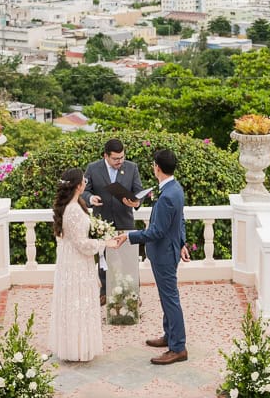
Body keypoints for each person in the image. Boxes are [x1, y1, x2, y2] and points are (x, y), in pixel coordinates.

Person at [123, 148, 189, 365]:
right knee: (166, 296)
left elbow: (156, 232)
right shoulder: (175, 189)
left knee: (170, 299)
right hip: (170, 250)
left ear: (157, 168)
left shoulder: (168, 195)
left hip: (163, 255)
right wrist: (182, 243)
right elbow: (179, 221)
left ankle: (178, 347)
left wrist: (128, 236)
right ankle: (169, 335)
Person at [50, 167, 124, 362]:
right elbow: (81, 244)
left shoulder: (75, 205)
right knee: (77, 302)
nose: (85, 183)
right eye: (83, 181)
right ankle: (76, 349)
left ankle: (77, 346)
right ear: (77, 186)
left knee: (77, 303)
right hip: (76, 263)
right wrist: (104, 243)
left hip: (73, 260)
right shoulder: (73, 210)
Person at [81, 139, 143, 299]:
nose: (120, 161)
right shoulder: (93, 168)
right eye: (116, 158)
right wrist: (91, 198)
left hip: (125, 220)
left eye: (122, 157)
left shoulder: (132, 167)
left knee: (129, 260)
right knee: (104, 259)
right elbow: (84, 191)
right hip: (102, 222)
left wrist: (136, 201)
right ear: (105, 156)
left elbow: (138, 191)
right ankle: (105, 293)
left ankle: (132, 294)